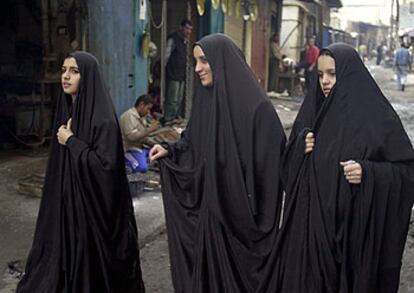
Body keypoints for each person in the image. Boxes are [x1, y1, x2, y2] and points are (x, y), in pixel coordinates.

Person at [258, 43, 414, 293]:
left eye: (332, 74)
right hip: (310, 241)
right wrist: (300, 147)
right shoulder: (312, 112)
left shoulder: (376, 117)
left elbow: (406, 172)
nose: (325, 82)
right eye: (320, 75)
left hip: (352, 238)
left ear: (349, 74)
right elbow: (287, 172)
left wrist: (369, 172)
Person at [149, 33, 286, 293]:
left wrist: (233, 186)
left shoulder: (259, 111)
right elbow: (193, 145)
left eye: (204, 61)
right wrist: (170, 151)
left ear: (222, 62)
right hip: (212, 218)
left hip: (240, 222)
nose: (198, 68)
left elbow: (270, 172)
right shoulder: (206, 103)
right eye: (196, 62)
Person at [16, 52, 145, 292]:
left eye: (74, 72)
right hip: (69, 205)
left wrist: (72, 141)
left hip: (94, 211)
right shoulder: (66, 112)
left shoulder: (103, 120)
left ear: (88, 77)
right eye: (64, 70)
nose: (66, 76)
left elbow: (105, 168)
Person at [119, 94, 160, 173]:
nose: (148, 112)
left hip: (141, 147)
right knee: (142, 168)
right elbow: (131, 137)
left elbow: (143, 137)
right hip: (129, 149)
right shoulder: (129, 116)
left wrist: (156, 144)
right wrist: (149, 129)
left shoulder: (141, 117)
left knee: (159, 152)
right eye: (147, 109)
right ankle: (125, 163)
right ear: (141, 105)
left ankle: (142, 159)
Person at [163, 19, 193, 125]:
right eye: (187, 28)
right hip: (173, 73)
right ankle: (168, 118)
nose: (188, 31)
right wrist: (163, 70)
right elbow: (166, 55)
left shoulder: (185, 41)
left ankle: (174, 118)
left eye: (190, 29)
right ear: (181, 27)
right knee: (172, 98)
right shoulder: (173, 39)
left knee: (179, 99)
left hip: (181, 74)